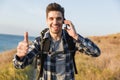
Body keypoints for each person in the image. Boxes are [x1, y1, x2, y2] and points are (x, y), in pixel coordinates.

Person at [13, 2, 101, 80]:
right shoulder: (40, 41)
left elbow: (96, 52)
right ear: (47, 21)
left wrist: (75, 36)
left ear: (64, 21)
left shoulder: (71, 40)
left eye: (58, 18)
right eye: (51, 18)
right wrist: (20, 57)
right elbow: (19, 65)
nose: (55, 22)